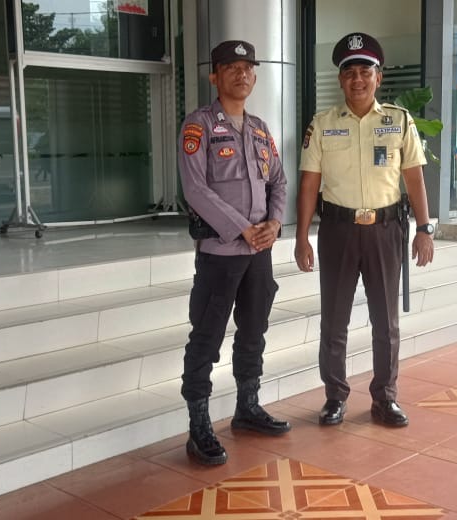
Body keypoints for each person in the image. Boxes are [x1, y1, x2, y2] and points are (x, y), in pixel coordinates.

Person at [295, 32, 435, 428]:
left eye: (365, 72)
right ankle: (335, 397)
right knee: (334, 320)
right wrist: (302, 237)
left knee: (385, 322)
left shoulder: (399, 121)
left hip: (385, 231)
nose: (357, 79)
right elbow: (309, 184)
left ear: (378, 77)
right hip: (337, 231)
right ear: (341, 80)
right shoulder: (322, 124)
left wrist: (424, 228)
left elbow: (414, 178)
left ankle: (385, 398)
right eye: (350, 73)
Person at [177, 40, 290, 466]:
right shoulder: (199, 125)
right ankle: (199, 426)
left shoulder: (260, 128)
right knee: (206, 337)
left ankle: (248, 407)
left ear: (255, 77)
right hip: (220, 253)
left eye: (247, 67)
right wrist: (243, 228)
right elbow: (195, 189)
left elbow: (278, 182)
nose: (241, 74)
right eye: (231, 67)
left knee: (253, 331)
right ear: (215, 76)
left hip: (259, 253)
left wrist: (274, 223)